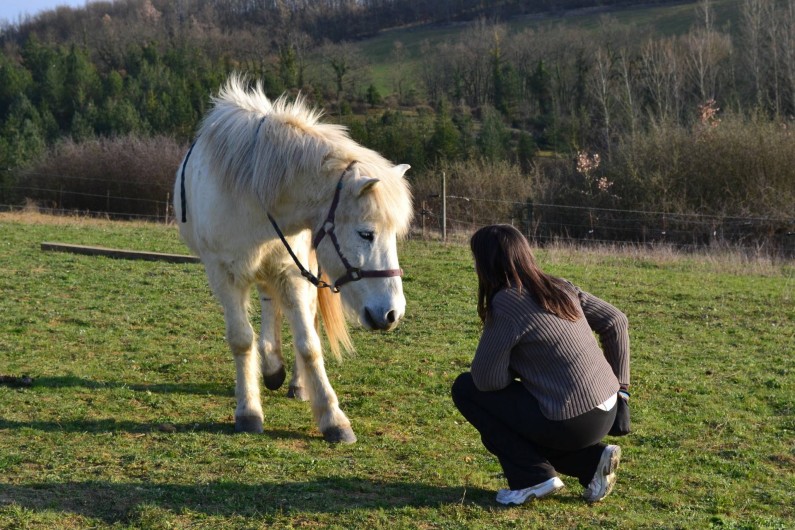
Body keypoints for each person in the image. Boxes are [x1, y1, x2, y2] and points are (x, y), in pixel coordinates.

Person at [451, 224, 631, 505]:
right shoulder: (559, 285)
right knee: (511, 427)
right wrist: (622, 388)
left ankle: (532, 479)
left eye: (475, 259)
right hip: (608, 408)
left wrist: (514, 367)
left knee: (466, 390)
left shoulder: (507, 303)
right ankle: (592, 462)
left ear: (487, 263)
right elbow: (616, 321)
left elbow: (486, 381)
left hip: (572, 420)